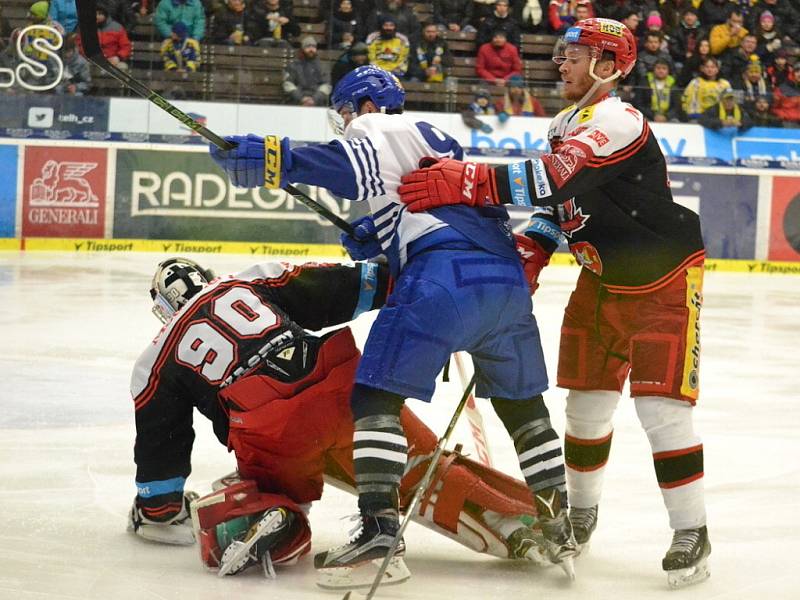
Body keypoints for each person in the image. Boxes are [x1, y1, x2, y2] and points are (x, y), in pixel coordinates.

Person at [208, 64, 578, 586]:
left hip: (443, 280)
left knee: (375, 400)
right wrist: (383, 237)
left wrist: (275, 159)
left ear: (360, 104)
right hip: (504, 282)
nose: (343, 121)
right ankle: (558, 523)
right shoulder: (436, 140)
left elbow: (346, 168)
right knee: (523, 408)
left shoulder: (376, 126)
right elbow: (435, 209)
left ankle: (380, 533)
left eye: (343, 111)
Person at [396, 17, 712, 589]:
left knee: (662, 413)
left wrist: (468, 181)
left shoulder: (617, 118)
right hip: (600, 282)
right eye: (563, 52)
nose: (561, 62)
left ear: (609, 66)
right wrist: (533, 247)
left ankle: (692, 531)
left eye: (576, 53)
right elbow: (561, 202)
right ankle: (581, 516)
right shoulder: (568, 121)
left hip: (663, 280)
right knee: (585, 409)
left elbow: (553, 177)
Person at [129, 257, 558, 581]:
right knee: (423, 468)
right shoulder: (249, 280)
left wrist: (159, 509)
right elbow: (344, 286)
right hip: (341, 389)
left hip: (272, 431)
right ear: (206, 275)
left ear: (163, 308)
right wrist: (420, 283)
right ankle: (523, 516)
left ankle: (274, 514)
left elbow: (161, 444)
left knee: (250, 490)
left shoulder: (155, 359)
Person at [282, 35, 331, 106]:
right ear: (302, 49)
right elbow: (288, 84)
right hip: (296, 102)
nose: (311, 49)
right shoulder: (293, 65)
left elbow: (326, 85)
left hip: (317, 103)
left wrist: (314, 99)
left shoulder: (323, 66)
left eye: (313, 47)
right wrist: (301, 98)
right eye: (308, 46)